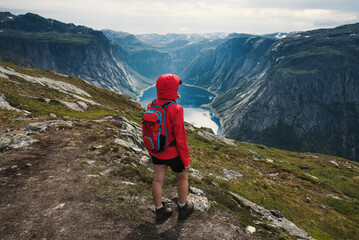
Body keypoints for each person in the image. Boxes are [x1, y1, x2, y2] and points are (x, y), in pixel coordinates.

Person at [146, 74, 194, 224]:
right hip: (173, 153)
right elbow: (181, 138)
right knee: (183, 178)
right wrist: (185, 161)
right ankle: (183, 207)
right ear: (173, 89)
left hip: (157, 151)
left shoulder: (151, 105)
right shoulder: (176, 109)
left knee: (158, 180)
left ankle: (160, 210)